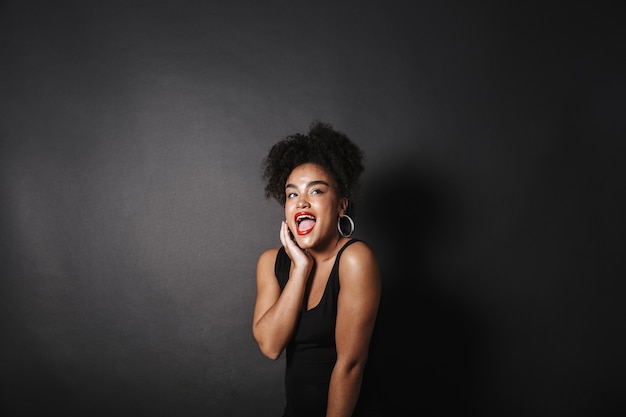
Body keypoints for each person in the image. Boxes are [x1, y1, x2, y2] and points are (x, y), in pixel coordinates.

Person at [252, 121, 387, 417]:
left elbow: (351, 365)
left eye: (316, 191)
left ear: (341, 205)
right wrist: (300, 268)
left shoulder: (355, 259)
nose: (301, 202)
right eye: (291, 194)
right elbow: (270, 345)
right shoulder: (271, 262)